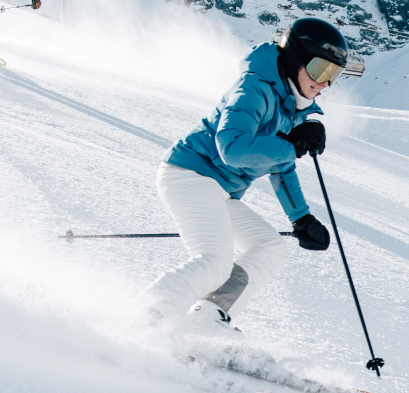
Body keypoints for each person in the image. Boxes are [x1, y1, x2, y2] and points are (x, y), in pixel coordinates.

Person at [135, 18, 365, 327]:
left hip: (218, 190)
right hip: (189, 174)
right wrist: (291, 144)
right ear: (296, 59)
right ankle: (145, 317)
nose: (324, 84)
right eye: (319, 71)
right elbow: (232, 148)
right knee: (215, 262)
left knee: (270, 249)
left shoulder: (289, 105)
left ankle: (209, 319)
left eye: (332, 75)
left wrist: (301, 218)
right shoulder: (254, 87)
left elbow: (281, 166)